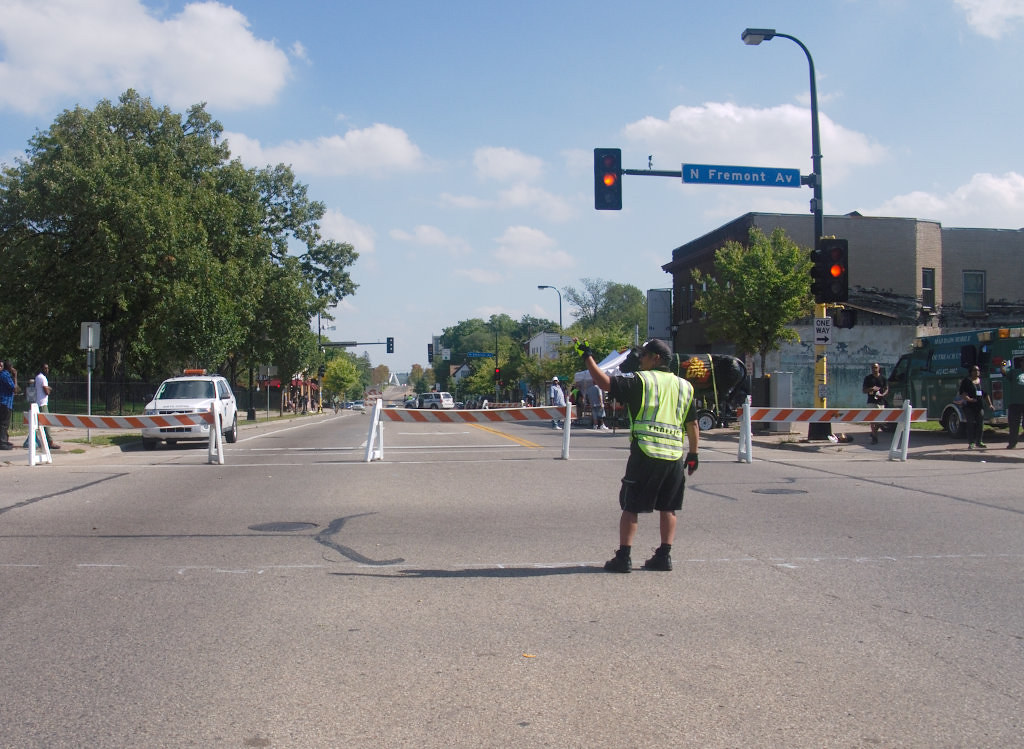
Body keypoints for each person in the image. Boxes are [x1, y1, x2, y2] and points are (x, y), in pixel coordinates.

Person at [579, 338, 699, 573]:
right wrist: (693, 454)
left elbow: (604, 383)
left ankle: (623, 557)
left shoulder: (641, 381)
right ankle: (664, 556)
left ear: (656, 358)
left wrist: (587, 356)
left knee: (631, 506)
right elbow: (692, 423)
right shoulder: (685, 386)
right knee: (668, 507)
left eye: (644, 355)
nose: (640, 359)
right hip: (674, 456)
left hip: (646, 452)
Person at [958, 365, 992, 449]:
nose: (977, 372)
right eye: (974, 370)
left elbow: (986, 394)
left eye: (978, 370)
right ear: (971, 372)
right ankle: (971, 443)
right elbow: (963, 393)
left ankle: (979, 441)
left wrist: (990, 404)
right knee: (970, 424)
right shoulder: (966, 381)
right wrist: (969, 399)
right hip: (969, 407)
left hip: (979, 407)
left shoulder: (981, 381)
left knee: (980, 424)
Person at [33, 363, 59, 450]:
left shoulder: (37, 377)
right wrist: (49, 389)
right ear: (41, 368)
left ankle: (40, 440)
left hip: (38, 402)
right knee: (46, 423)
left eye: (47, 368)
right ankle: (50, 442)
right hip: (42, 403)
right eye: (45, 368)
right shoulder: (42, 378)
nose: (47, 370)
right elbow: (46, 391)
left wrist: (48, 388)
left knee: (38, 423)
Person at [862, 362, 889, 444]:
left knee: (880, 420)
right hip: (871, 401)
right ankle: (874, 437)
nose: (874, 369)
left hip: (880, 401)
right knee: (873, 420)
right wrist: (871, 389)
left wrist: (882, 394)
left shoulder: (883, 378)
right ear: (871, 369)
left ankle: (874, 432)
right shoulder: (868, 378)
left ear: (879, 368)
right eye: (873, 367)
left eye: (876, 367)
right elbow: (864, 390)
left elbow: (887, 389)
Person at [1003, 356, 1024, 449]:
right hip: (1015, 403)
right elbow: (1004, 372)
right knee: (1014, 425)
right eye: (1023, 362)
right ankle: (1012, 443)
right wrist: (1002, 365)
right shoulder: (1015, 372)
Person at [0, 359, 16, 450]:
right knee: (4, 423)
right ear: (9, 367)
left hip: (4, 402)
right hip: (5, 402)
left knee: (4, 423)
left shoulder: (3, 375)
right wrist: (15, 376)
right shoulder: (5, 375)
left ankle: (4, 440)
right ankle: (2, 442)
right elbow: (15, 388)